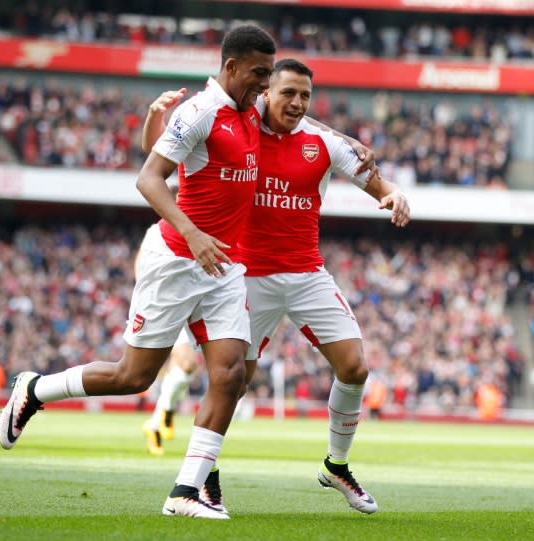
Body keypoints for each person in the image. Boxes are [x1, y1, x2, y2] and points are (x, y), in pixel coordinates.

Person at [0, 24, 278, 520]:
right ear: (230, 66)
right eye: (259, 73)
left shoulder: (252, 110)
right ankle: (35, 389)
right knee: (133, 377)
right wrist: (192, 233)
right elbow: (148, 178)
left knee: (230, 374)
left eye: (269, 75)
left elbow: (302, 120)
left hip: (225, 265)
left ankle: (186, 492)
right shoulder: (201, 112)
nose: (265, 84)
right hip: (176, 261)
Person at [145, 59, 410, 515]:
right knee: (232, 382)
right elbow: (170, 157)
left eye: (305, 96)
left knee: (354, 367)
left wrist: (393, 193)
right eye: (288, 93)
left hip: (307, 273)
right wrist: (155, 120)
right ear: (265, 92)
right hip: (247, 277)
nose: (297, 103)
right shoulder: (239, 130)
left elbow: (374, 179)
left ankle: (337, 465)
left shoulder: (322, 143)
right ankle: (203, 477)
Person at [141, 328, 201, 455]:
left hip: (199, 318)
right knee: (187, 364)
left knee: (183, 371)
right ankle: (165, 414)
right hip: (183, 317)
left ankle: (155, 425)